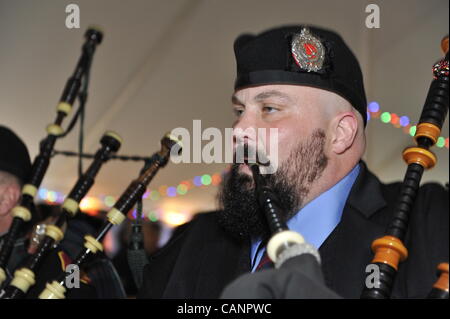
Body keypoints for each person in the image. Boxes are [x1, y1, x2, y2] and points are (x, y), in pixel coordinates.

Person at [137, 25, 449, 299]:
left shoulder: (428, 224)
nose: (239, 130)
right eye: (239, 111)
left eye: (270, 108)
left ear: (340, 134)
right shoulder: (195, 241)